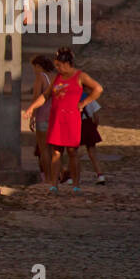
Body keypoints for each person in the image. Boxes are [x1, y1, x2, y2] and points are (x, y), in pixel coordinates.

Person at [26, 47, 102, 194]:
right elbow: (45, 95)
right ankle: (54, 184)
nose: (57, 68)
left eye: (59, 65)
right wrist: (32, 108)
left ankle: (75, 184)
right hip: (56, 118)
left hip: (72, 118)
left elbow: (98, 89)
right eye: (56, 65)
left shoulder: (80, 76)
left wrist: (83, 103)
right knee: (56, 152)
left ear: (68, 63)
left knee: (72, 151)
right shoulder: (57, 77)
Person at [27, 55, 57, 185]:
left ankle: (49, 177)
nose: (34, 70)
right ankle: (57, 176)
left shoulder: (41, 78)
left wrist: (32, 115)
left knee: (43, 149)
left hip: (42, 115)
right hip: (55, 116)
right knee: (54, 149)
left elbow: (36, 97)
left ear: (39, 66)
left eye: (34, 67)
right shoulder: (55, 77)